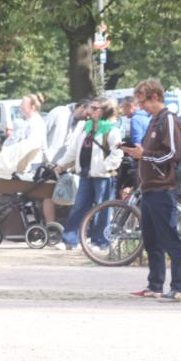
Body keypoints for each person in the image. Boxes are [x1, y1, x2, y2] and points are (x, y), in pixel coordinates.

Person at [121, 79, 181, 302]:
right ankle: (155, 285)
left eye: (143, 102)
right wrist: (136, 153)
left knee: (170, 238)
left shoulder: (168, 119)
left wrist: (144, 155)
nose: (141, 107)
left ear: (155, 97)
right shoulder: (153, 121)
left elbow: (172, 154)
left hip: (162, 188)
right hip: (149, 188)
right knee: (151, 240)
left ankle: (178, 287)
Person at [55, 97, 123, 250]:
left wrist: (104, 167)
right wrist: (61, 164)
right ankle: (70, 240)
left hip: (103, 176)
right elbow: (73, 150)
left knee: (102, 208)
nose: (89, 111)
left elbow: (117, 154)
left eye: (94, 108)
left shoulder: (112, 130)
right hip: (85, 173)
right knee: (79, 206)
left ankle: (100, 242)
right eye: (89, 107)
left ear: (103, 111)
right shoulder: (85, 127)